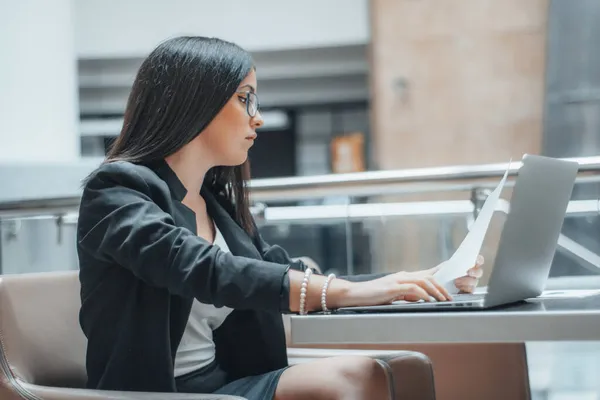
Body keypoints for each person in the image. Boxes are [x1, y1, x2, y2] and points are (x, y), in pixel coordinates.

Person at [76, 36, 484, 400]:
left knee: (392, 370)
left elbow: (279, 272)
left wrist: (412, 280)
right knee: (356, 375)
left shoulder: (214, 204)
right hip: (153, 395)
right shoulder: (115, 191)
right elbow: (201, 269)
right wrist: (351, 293)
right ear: (193, 101)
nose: (258, 117)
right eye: (245, 98)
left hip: (226, 383)